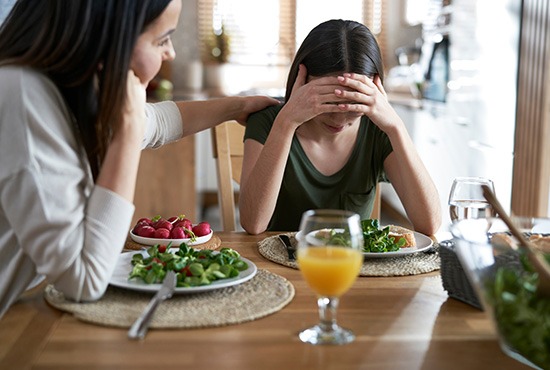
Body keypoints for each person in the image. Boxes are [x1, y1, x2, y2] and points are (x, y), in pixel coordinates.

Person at [0, 0, 278, 317]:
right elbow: (84, 280)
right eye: (161, 40)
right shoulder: (24, 98)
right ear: (111, 35)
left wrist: (237, 107)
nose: (170, 52)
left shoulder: (57, 86)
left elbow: (157, 121)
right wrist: (127, 137)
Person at [239, 19, 441, 235]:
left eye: (353, 104)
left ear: (374, 89)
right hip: (279, 264)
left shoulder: (379, 130)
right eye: (328, 102)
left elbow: (429, 224)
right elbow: (253, 223)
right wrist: (286, 123)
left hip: (353, 266)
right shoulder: (269, 122)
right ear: (302, 82)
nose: (339, 119)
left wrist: (396, 127)